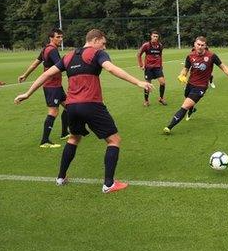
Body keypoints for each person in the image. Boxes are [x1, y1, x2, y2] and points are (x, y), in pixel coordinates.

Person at [15, 29, 153, 193]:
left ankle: (60, 178)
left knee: (73, 138)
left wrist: (27, 93)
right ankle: (109, 184)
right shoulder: (96, 54)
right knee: (114, 140)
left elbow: (46, 74)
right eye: (103, 42)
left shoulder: (68, 56)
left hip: (72, 107)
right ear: (95, 40)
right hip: (92, 105)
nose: (104, 46)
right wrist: (138, 82)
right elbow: (111, 69)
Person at [163, 36, 228, 133]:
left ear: (205, 46)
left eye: (202, 45)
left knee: (184, 106)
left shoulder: (211, 56)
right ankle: (192, 109)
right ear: (194, 44)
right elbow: (186, 68)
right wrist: (182, 75)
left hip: (201, 86)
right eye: (198, 44)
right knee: (187, 101)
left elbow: (223, 67)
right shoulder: (190, 56)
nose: (200, 47)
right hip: (190, 84)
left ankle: (169, 127)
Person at [18, 28, 69, 148]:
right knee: (53, 112)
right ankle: (44, 141)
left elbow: (35, 63)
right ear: (51, 38)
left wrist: (25, 75)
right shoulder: (52, 51)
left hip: (57, 85)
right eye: (58, 37)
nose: (61, 39)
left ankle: (64, 133)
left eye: (62, 37)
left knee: (69, 107)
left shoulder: (46, 49)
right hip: (52, 86)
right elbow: (61, 66)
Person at [138, 30, 167, 106]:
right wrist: (141, 65)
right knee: (148, 84)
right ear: (151, 36)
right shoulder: (146, 45)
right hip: (149, 68)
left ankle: (161, 98)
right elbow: (139, 54)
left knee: (163, 82)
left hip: (157, 67)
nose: (155, 38)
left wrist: (161, 65)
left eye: (156, 37)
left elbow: (160, 56)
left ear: (158, 37)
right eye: (154, 36)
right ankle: (146, 101)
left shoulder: (160, 46)